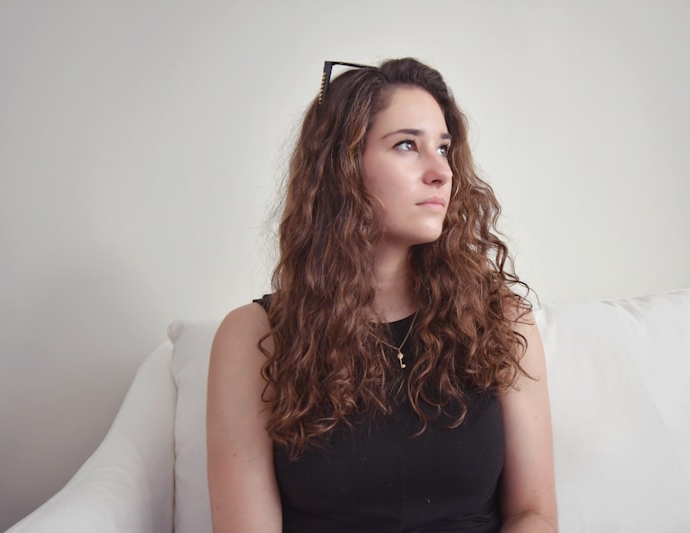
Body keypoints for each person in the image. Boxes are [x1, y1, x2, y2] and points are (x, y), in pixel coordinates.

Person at [206, 57, 557, 533]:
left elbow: (532, 513)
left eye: (444, 148)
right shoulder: (253, 337)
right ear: (342, 167)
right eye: (407, 145)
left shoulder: (500, 319)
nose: (441, 172)